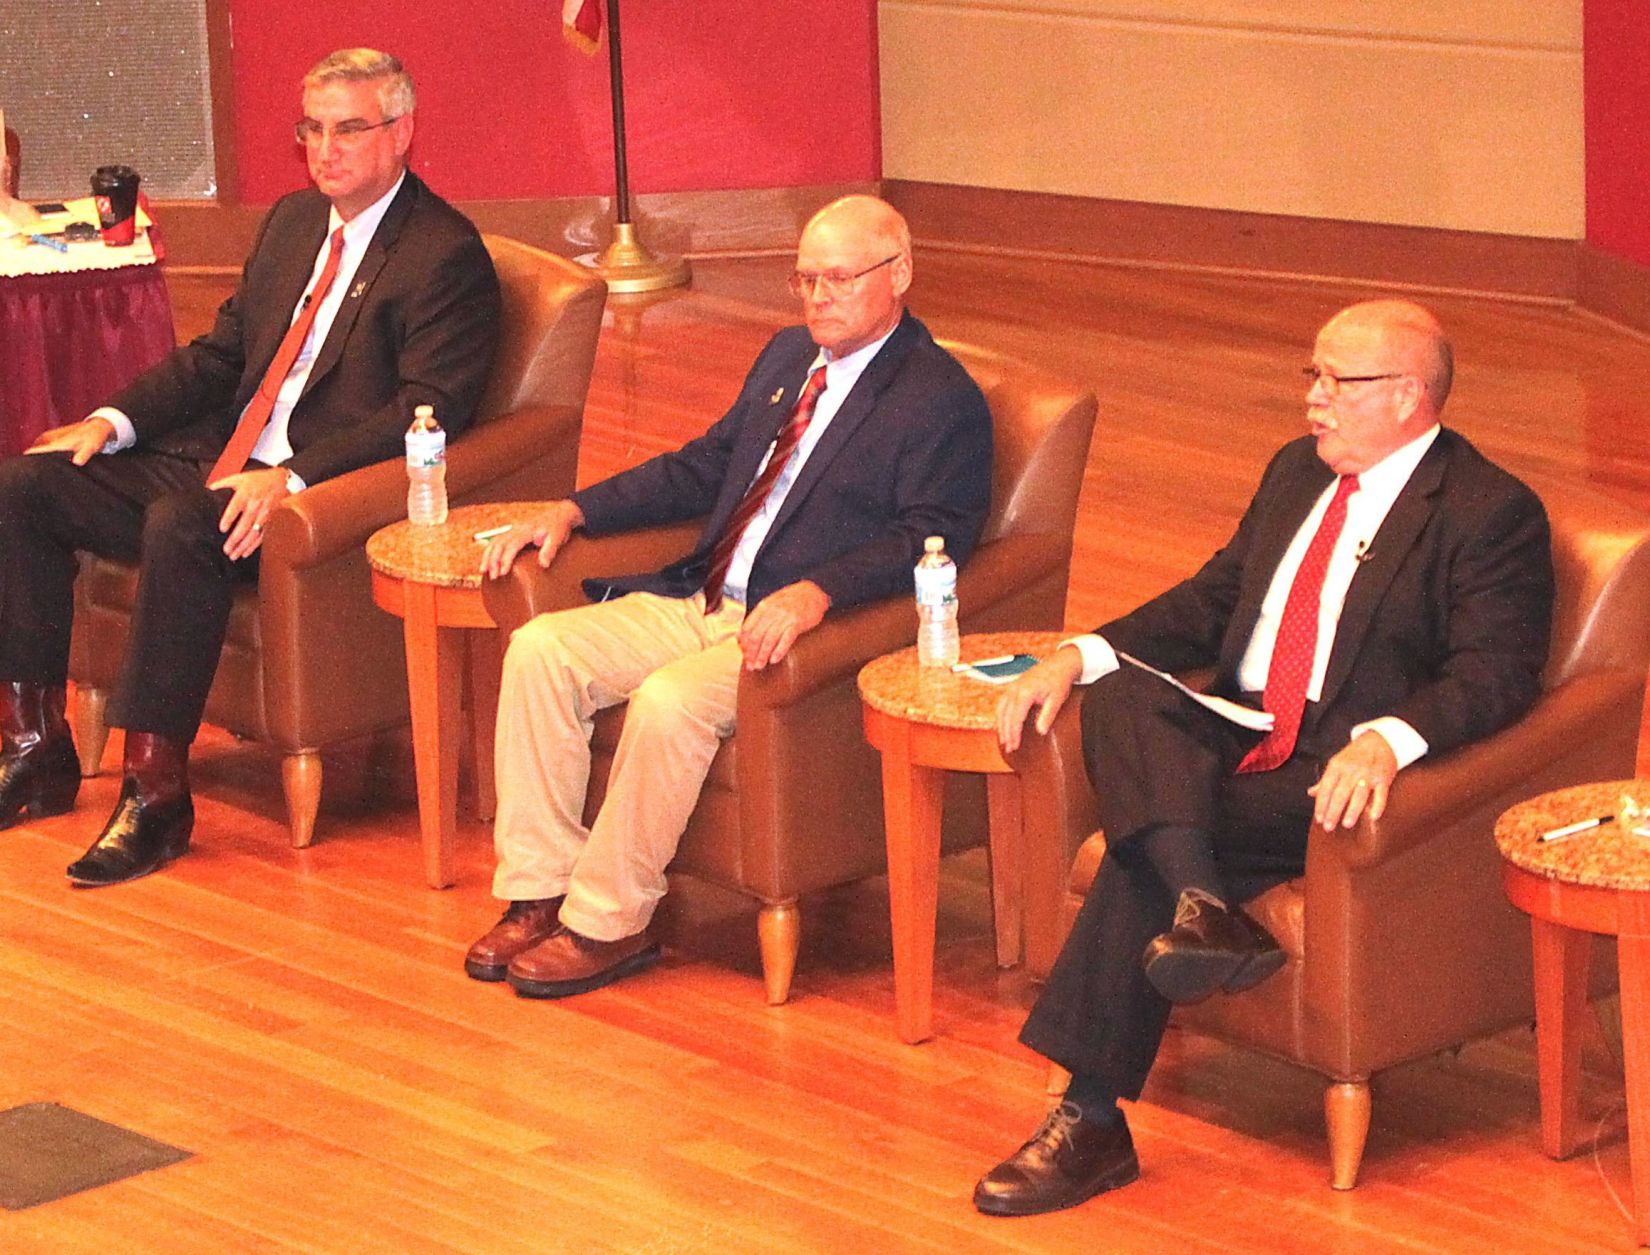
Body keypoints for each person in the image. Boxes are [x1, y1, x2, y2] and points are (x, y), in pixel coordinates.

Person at [973, 299, 1555, 1217]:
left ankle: (1090, 1117)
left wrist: (1387, 739)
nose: (1314, 400)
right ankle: (1203, 907)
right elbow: (1210, 602)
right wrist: (1076, 651)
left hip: (1330, 769)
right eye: (1310, 376)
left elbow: (1496, 676)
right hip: (1241, 724)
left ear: (1408, 395)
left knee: (1139, 852)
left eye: (1337, 381)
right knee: (1117, 690)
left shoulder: (1488, 511)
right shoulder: (1296, 471)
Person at [466, 194, 993, 999]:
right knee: (543, 649)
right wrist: (576, 509)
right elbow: (704, 466)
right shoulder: (788, 358)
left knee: (671, 700)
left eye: (840, 279)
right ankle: (538, 891)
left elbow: (936, 533)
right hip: (704, 596)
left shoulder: (938, 398)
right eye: (805, 280)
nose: (818, 298)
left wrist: (818, 592)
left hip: (799, 626)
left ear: (901, 274)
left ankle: (609, 922)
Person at [0, 48, 501, 886]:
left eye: (350, 129)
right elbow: (221, 354)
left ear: (403, 131)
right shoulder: (294, 223)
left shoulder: (443, 255)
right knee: (23, 485)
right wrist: (110, 419)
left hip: (314, 499)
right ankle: (33, 747)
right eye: (313, 130)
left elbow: (426, 410)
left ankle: (155, 793)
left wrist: (294, 477)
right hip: (219, 464)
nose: (326, 149)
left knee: (183, 523)